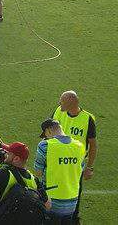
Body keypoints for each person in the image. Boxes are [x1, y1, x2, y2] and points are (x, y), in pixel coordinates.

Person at [52, 91, 97, 223]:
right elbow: (47, 132)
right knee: (53, 192)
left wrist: (89, 167)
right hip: (56, 162)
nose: (59, 103)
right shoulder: (58, 112)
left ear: (71, 102)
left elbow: (93, 145)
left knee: (73, 195)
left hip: (75, 166)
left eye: (62, 101)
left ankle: (73, 220)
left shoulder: (87, 119)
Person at [0, 142, 49, 220]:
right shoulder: (33, 179)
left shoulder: (3, 173)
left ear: (16, 159)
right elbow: (47, 204)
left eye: (9, 154)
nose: (6, 155)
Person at [35, 119, 85, 224]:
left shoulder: (45, 146)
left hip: (51, 201)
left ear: (48, 130)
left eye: (45, 135)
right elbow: (81, 170)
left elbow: (38, 172)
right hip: (72, 201)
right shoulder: (79, 146)